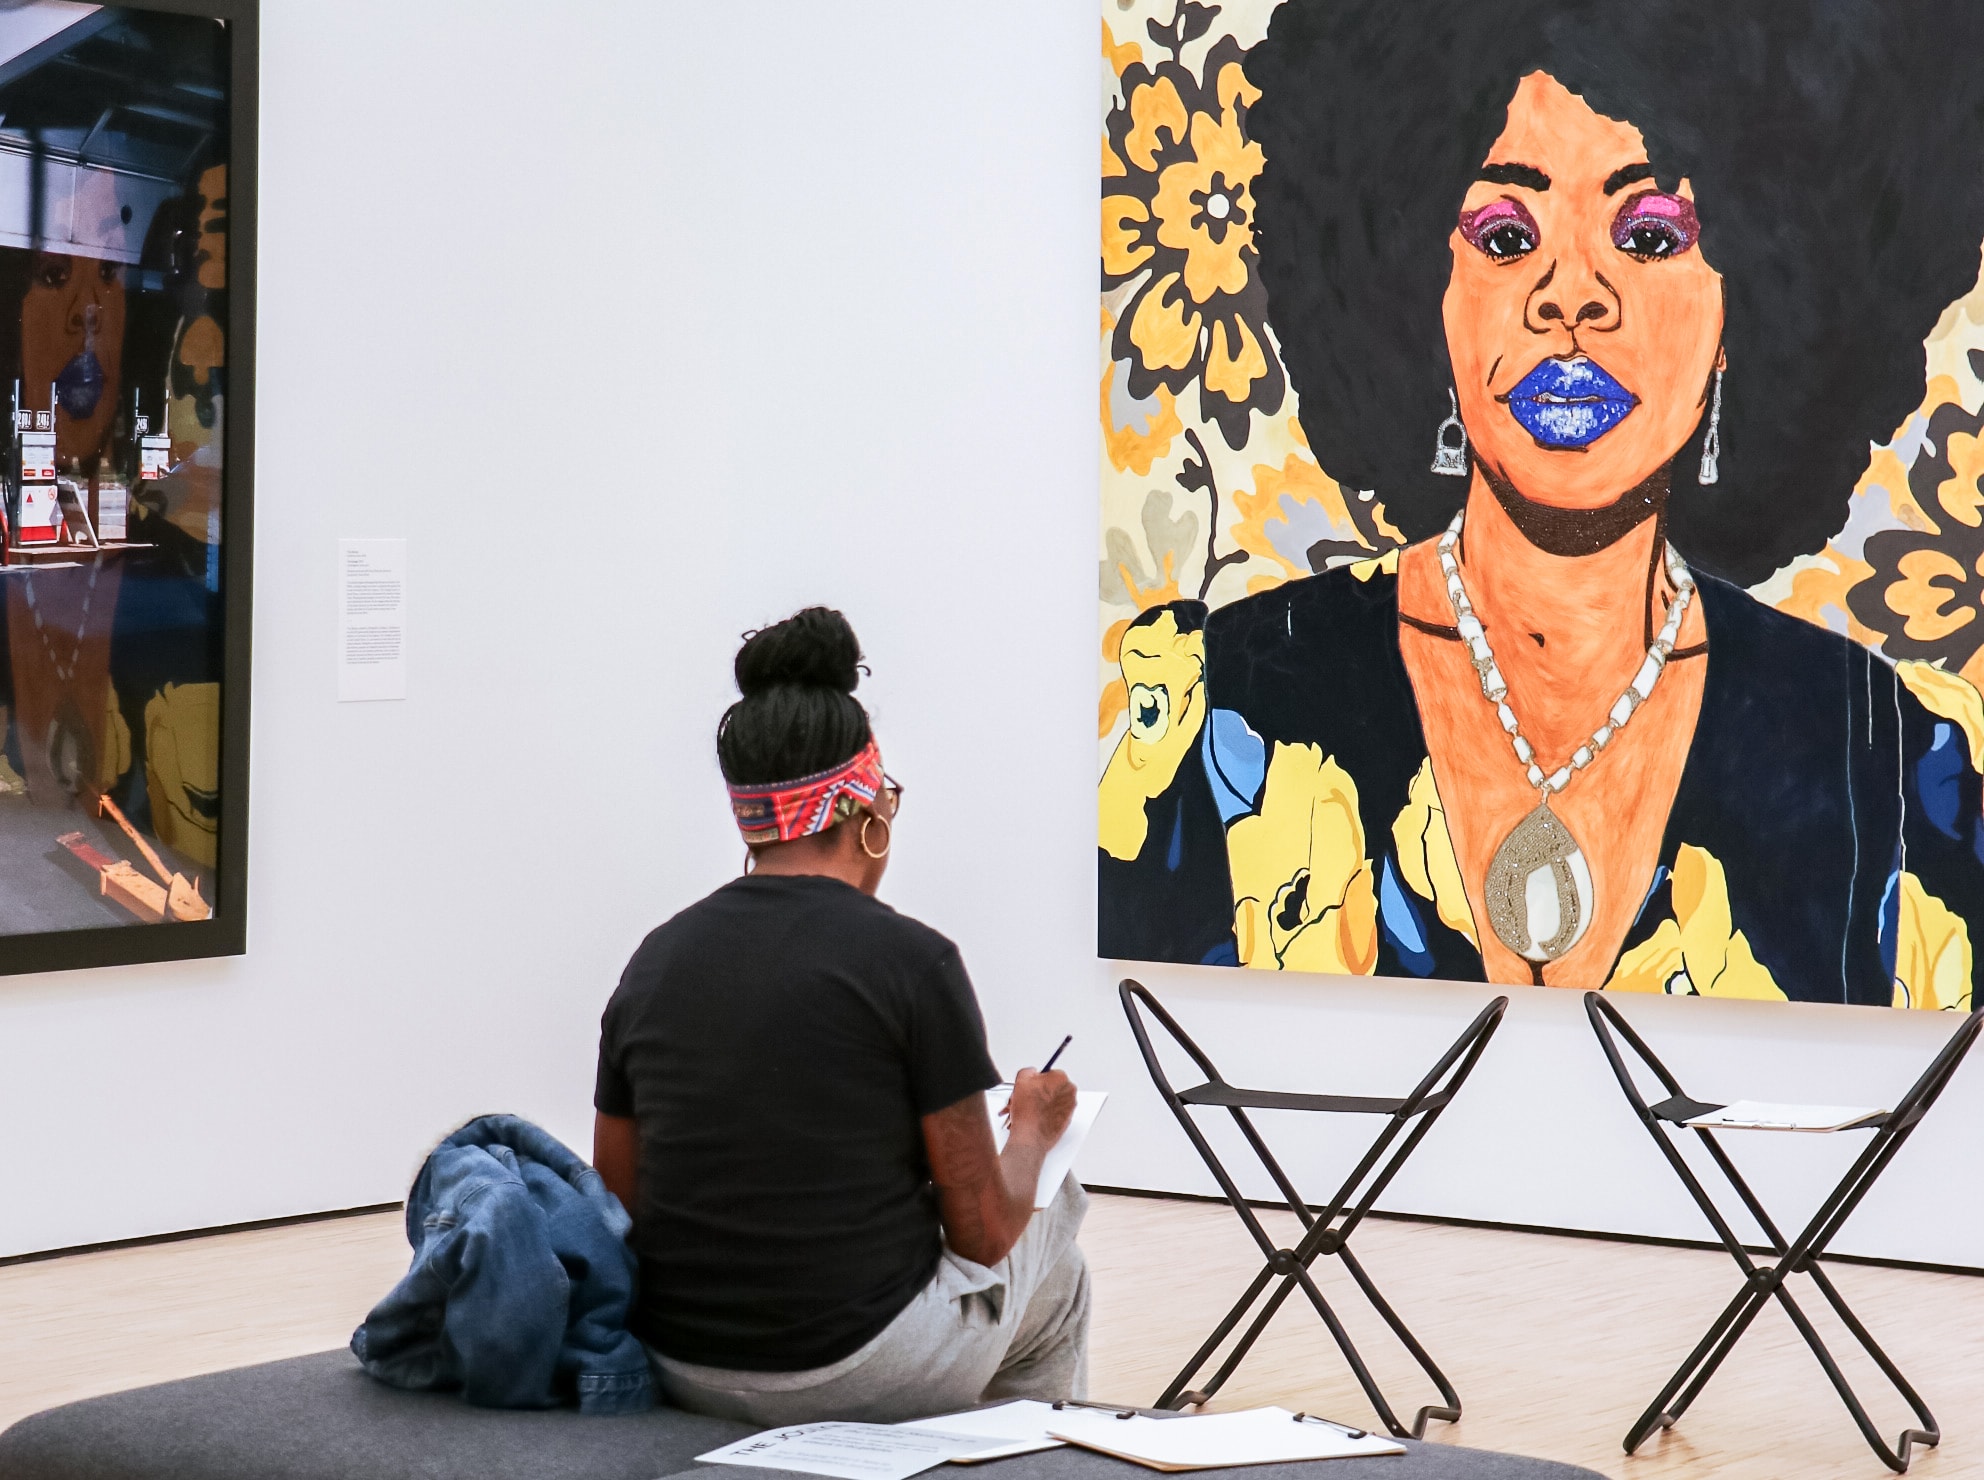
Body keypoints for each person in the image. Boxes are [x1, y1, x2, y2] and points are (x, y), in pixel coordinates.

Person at [1099, 0, 1984, 1008]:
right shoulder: (1226, 712)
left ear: (1750, 304)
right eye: (1506, 233)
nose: (1571, 294)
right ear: (1418, 293)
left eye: (1648, 236)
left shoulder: (1880, 757)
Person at [595, 606, 1090, 1423]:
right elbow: (982, 1235)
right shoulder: (913, 962)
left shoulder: (655, 960)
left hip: (680, 1359)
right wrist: (1034, 1128)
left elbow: (621, 1203)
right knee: (1059, 1250)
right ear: (868, 817)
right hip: (852, 1368)